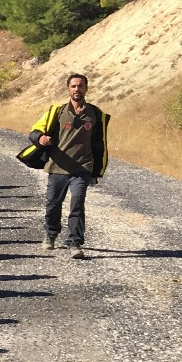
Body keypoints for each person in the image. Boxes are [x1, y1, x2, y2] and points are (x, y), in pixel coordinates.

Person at [30, 73, 109, 258]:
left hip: (82, 167)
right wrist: (40, 138)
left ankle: (74, 242)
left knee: (77, 204)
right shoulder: (55, 112)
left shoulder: (96, 114)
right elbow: (35, 131)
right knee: (53, 204)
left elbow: (101, 144)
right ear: (68, 89)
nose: (77, 89)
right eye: (73, 86)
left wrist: (96, 172)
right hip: (57, 166)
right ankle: (50, 234)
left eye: (80, 86)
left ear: (86, 89)